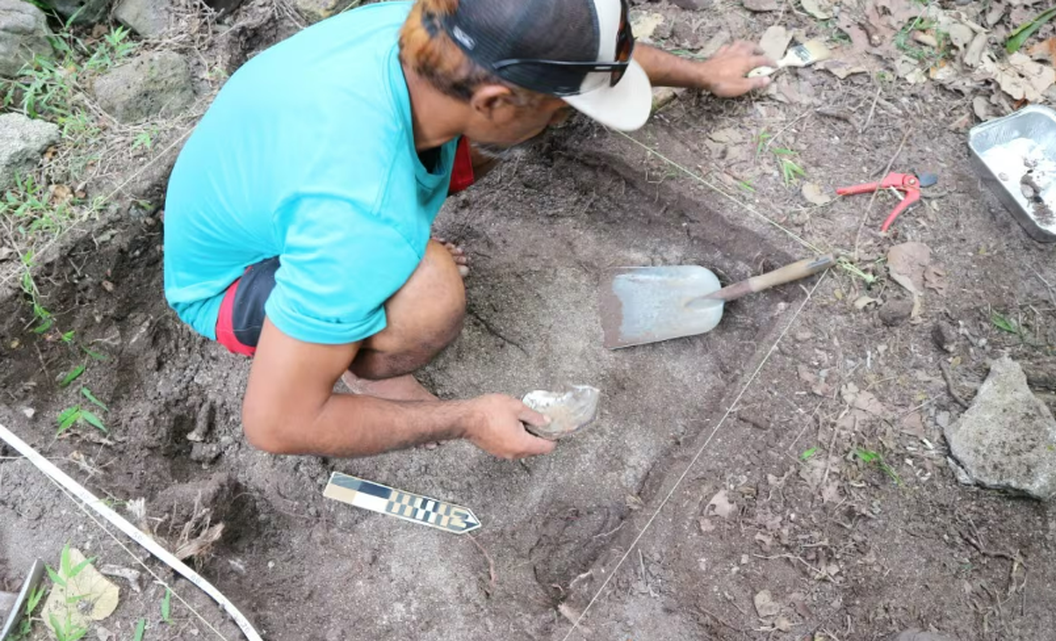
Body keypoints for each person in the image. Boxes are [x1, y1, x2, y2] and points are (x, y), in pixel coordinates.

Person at [162, 0, 773, 460]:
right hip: (231, 283)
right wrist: (467, 419)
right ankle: (351, 355)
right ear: (492, 101)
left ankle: (343, 315)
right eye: (559, 109)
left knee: (418, 233)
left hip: (273, 197)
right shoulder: (361, 218)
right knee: (430, 291)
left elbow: (576, 61)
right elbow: (276, 426)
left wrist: (703, 73)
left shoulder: (441, 27)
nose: (560, 120)